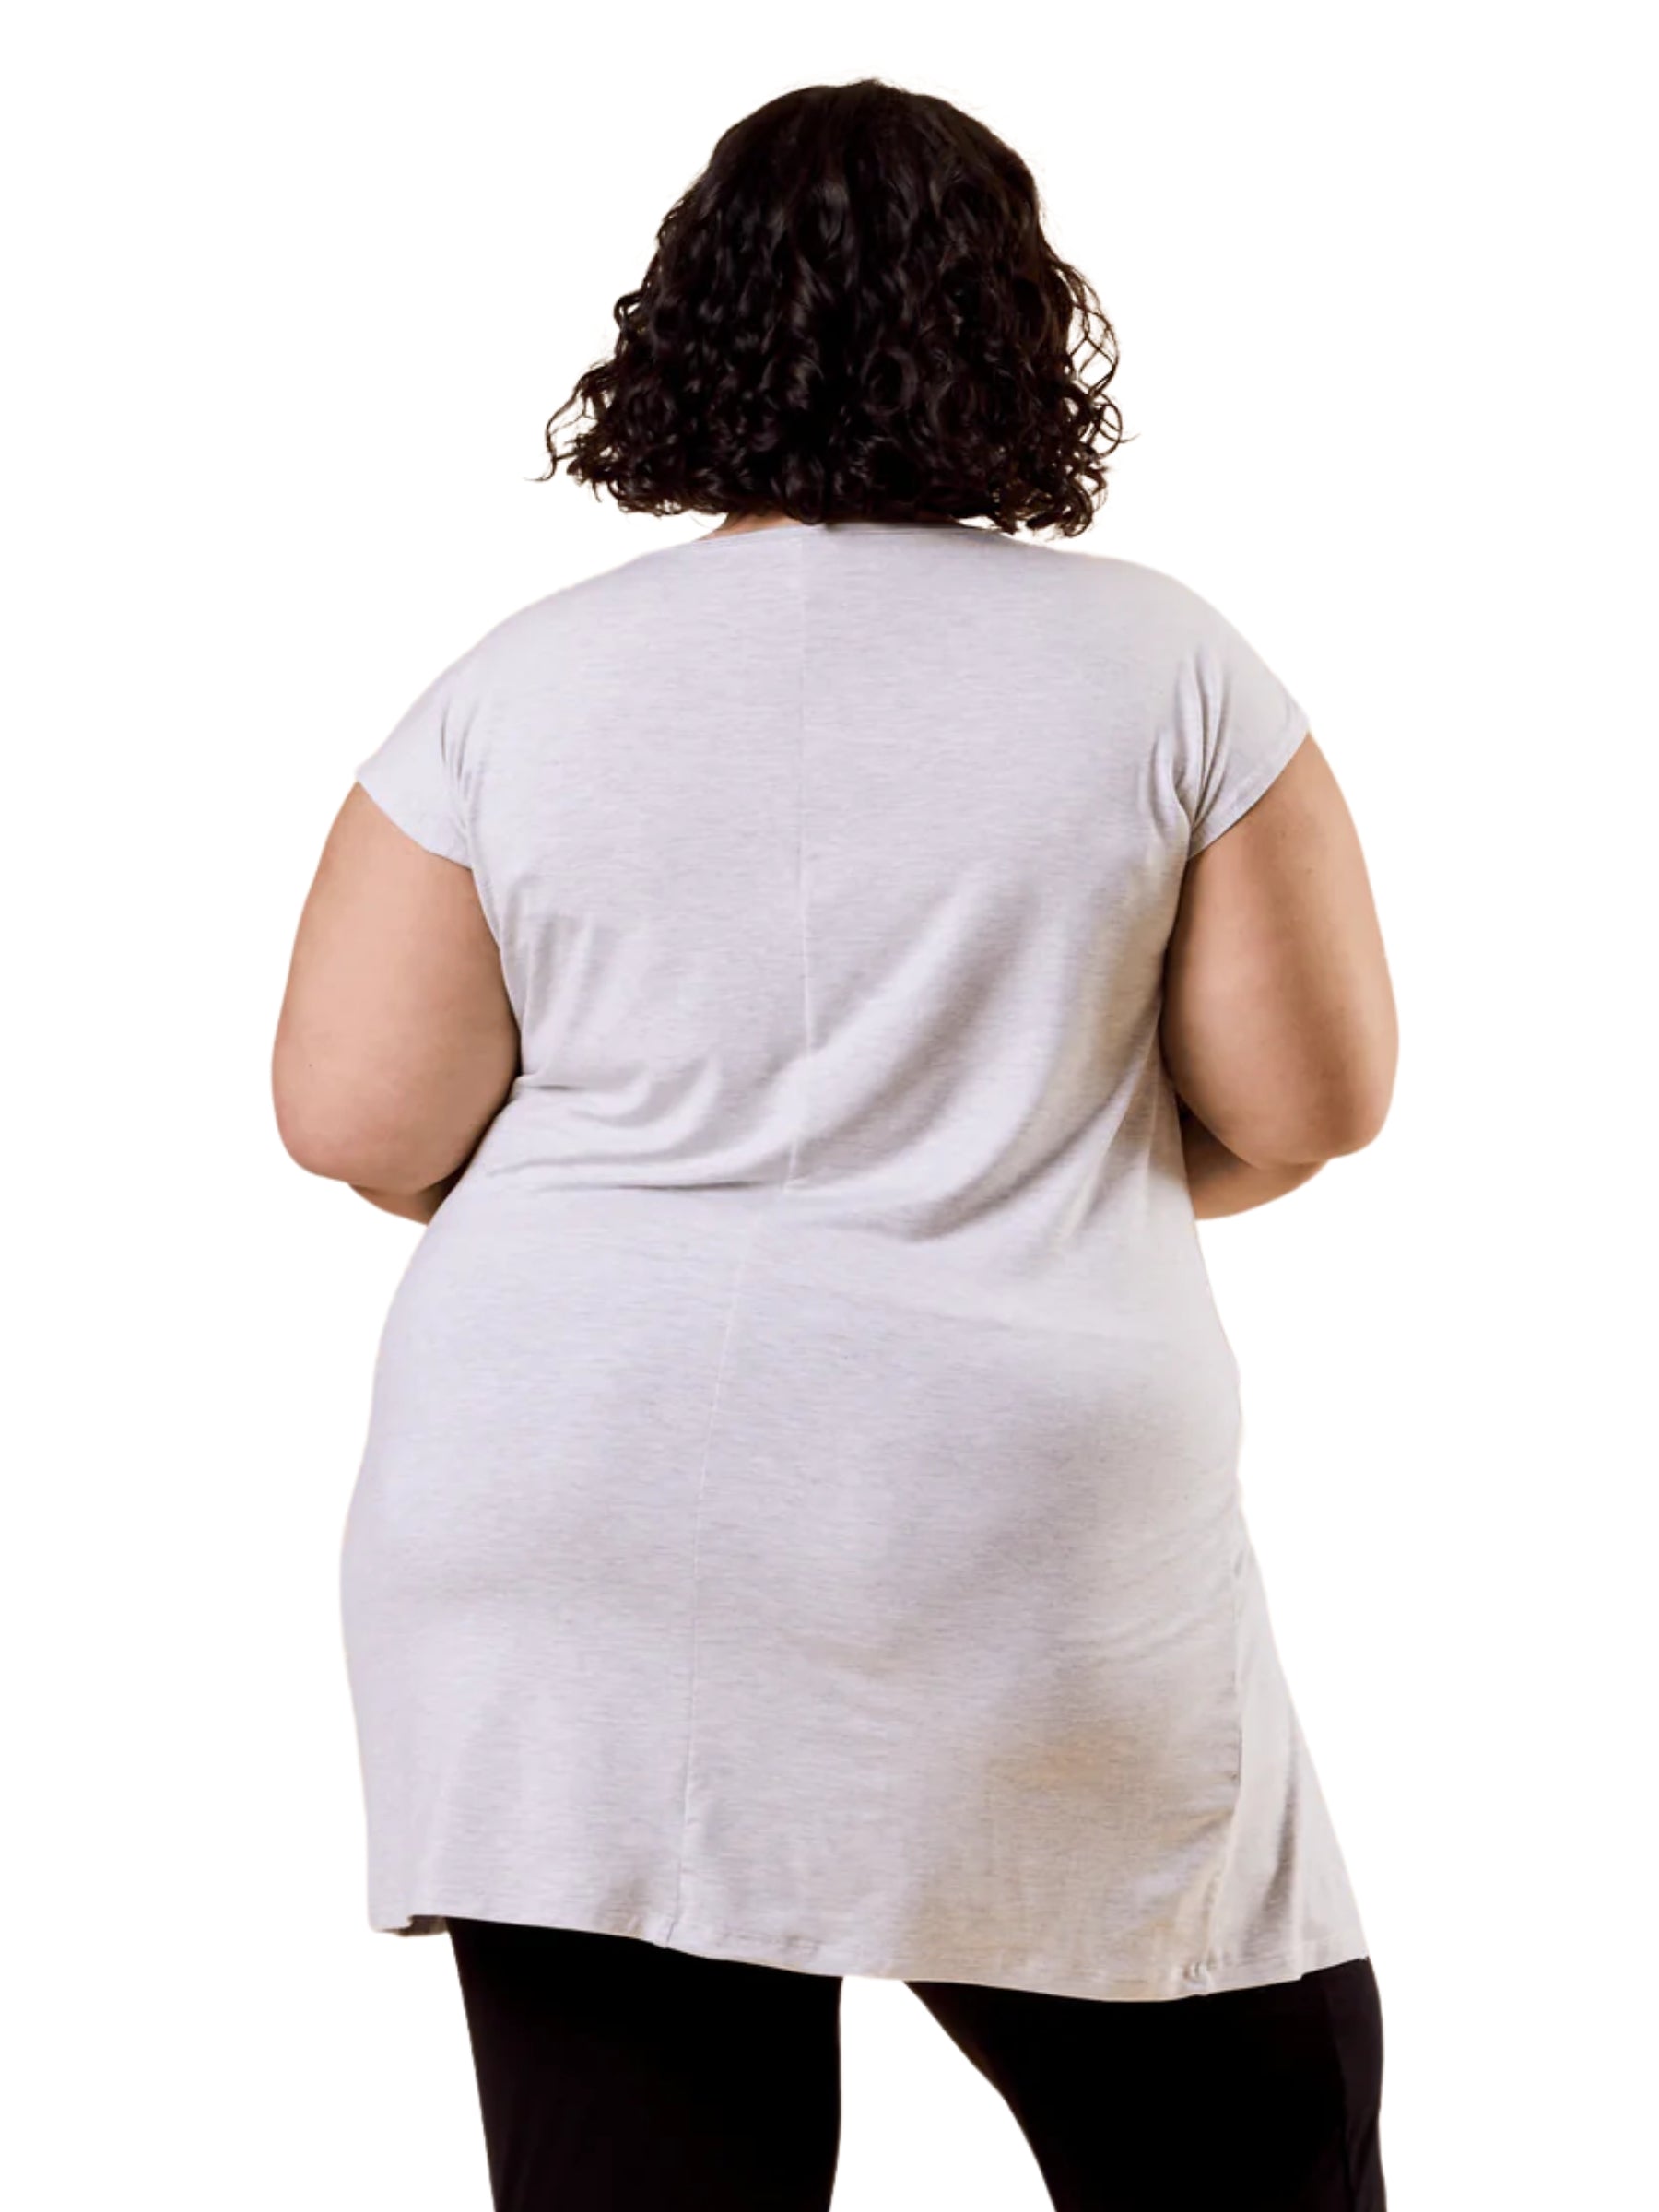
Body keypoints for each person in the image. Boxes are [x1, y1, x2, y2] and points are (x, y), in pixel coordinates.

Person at [272, 75, 1396, 2212]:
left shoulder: (514, 687)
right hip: (1007, 1502)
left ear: (682, 327)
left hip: (562, 1492)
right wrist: (1028, 1149)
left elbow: (354, 1119)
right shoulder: (1169, 666)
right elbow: (1307, 1108)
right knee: (1242, 2129)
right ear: (1023, 331)